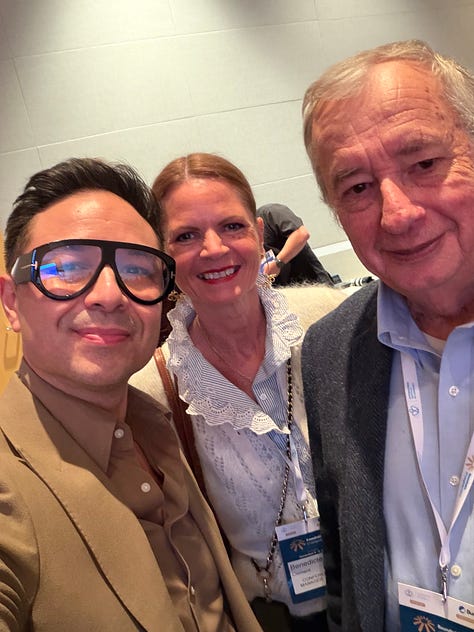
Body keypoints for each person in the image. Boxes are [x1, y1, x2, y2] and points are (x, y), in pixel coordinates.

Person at [0, 157, 263, 632]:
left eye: (137, 268)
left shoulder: (156, 421)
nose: (109, 294)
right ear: (12, 300)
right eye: (68, 266)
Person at [131, 153, 346, 632]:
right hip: (267, 613)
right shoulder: (155, 388)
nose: (213, 249)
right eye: (186, 236)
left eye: (231, 226)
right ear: (163, 256)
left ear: (259, 232)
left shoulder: (325, 319)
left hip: (375, 591)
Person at [301, 39, 474, 631]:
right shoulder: (329, 352)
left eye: (423, 163)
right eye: (357, 188)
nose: (397, 214)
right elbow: (345, 560)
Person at [257, 204, 334, 286]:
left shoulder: (269, 212)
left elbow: (301, 234)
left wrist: (277, 264)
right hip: (284, 291)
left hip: (313, 284)